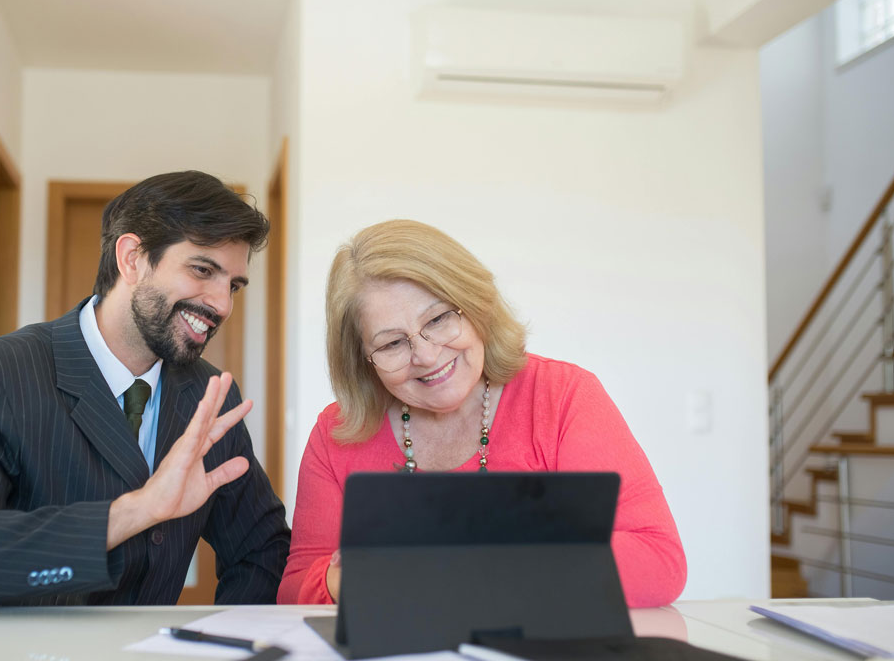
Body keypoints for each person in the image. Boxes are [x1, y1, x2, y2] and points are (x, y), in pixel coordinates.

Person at [0, 170, 289, 613]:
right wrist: (138, 510)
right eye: (202, 270)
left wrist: (214, 643)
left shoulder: (210, 398)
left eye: (233, 285)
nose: (223, 304)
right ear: (132, 258)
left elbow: (263, 550)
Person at [277, 220, 686, 608]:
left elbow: (658, 560)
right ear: (364, 361)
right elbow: (296, 587)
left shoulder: (562, 396)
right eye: (392, 344)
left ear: (474, 306)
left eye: (437, 319)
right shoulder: (336, 432)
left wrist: (446, 565)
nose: (427, 355)